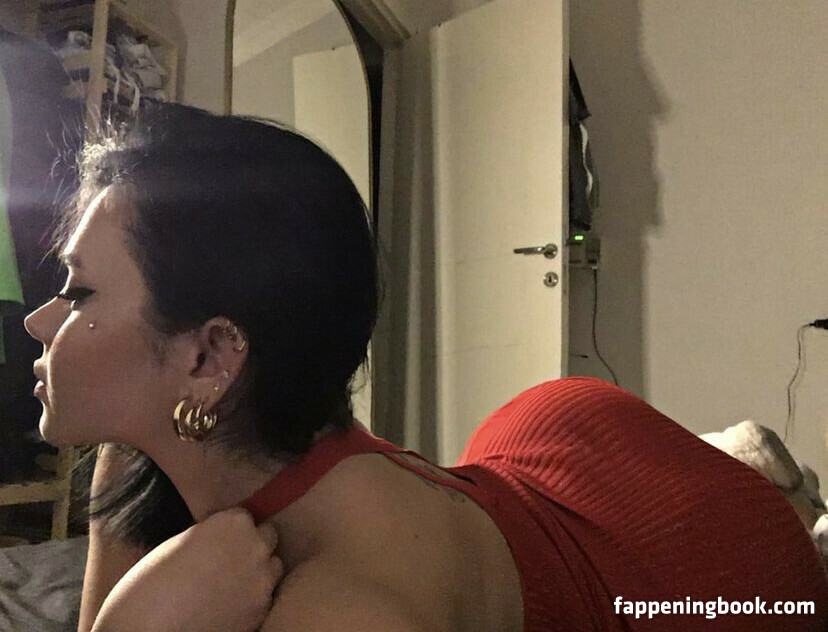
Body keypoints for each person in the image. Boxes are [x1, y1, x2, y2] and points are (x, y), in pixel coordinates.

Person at [23, 102, 828, 632]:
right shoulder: (146, 455)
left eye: (78, 290)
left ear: (210, 356)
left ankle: (776, 506)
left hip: (716, 585)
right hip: (562, 450)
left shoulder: (341, 613)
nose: (38, 321)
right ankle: (761, 484)